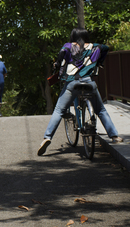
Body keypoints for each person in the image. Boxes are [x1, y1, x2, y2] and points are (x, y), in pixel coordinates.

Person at [38, 28, 123, 156]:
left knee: (59, 111)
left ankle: (47, 137)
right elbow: (105, 48)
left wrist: (58, 66)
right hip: (89, 82)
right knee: (100, 110)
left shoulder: (68, 46)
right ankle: (114, 136)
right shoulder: (95, 47)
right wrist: (99, 62)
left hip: (72, 83)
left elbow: (62, 55)